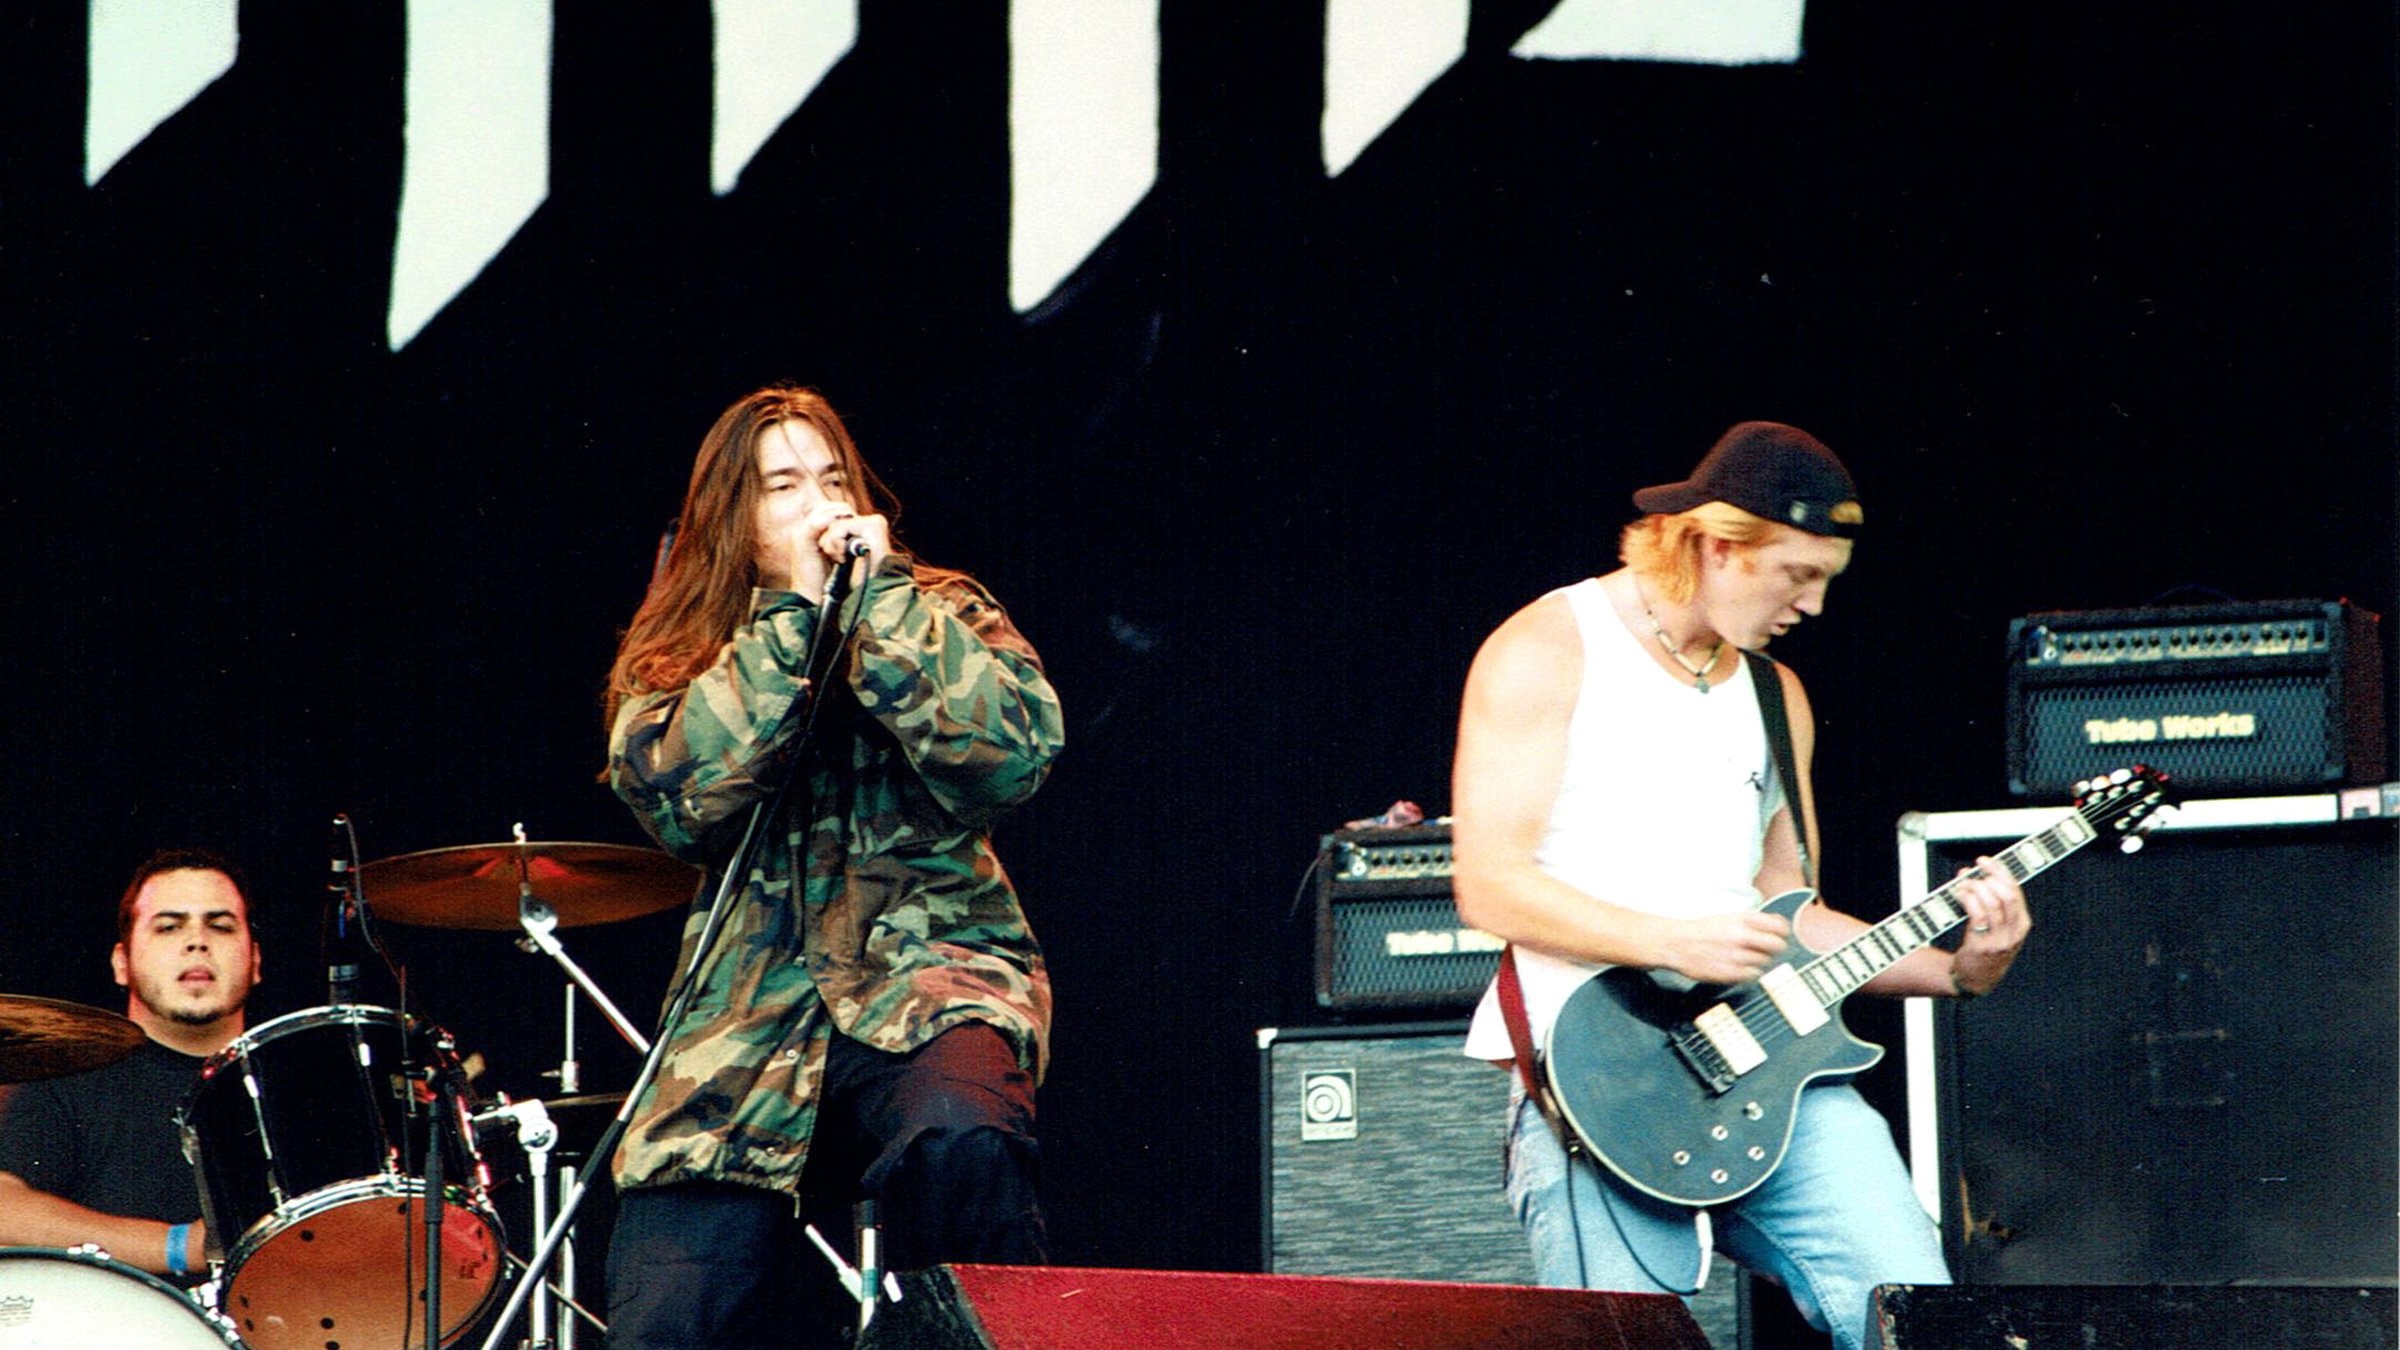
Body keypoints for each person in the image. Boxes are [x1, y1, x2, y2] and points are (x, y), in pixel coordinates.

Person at [1450, 421, 2030, 1350]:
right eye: (1797, 574)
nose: (1814, 604)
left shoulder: (1773, 693)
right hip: (1599, 1078)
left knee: (1915, 1317)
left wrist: (1959, 970)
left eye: (1827, 580)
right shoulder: (1552, 645)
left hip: (1768, 1065)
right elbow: (1488, 886)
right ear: (1717, 545)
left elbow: (1793, 915)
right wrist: (1669, 939)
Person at [598, 385, 1064, 1347]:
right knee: (671, 1305)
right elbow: (676, 798)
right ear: (735, 517)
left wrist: (878, 607)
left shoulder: (937, 607)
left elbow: (1013, 754)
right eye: (783, 485)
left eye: (833, 478)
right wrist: (793, 616)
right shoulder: (684, 647)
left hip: (928, 977)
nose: (818, 502)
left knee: (960, 1137)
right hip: (742, 1026)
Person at [0, 849, 263, 1283]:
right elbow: (5, 1211)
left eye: (220, 926)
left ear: (255, 962)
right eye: (169, 927)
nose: (197, 942)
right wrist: (181, 1246)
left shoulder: (301, 1088)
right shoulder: (67, 1074)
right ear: (121, 964)